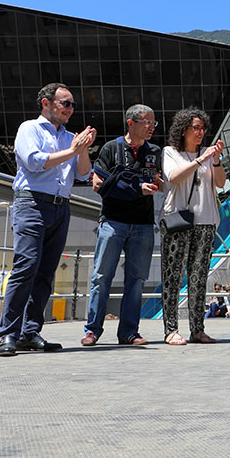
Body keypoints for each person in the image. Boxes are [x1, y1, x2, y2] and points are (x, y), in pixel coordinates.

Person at [0, 83, 95, 357]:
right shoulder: (30, 128)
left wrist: (83, 148)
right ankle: (7, 334)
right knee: (25, 266)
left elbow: (84, 174)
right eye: (65, 103)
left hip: (61, 206)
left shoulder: (70, 138)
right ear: (46, 103)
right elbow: (33, 161)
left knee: (46, 272)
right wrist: (74, 150)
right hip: (32, 202)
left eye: (72, 105)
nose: (70, 109)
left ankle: (29, 332)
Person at [82, 104, 162, 347]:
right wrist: (137, 188)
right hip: (113, 223)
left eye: (153, 123)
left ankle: (129, 332)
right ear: (131, 122)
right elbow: (97, 184)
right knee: (101, 276)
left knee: (136, 280)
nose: (151, 127)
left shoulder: (155, 151)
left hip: (143, 224)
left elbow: (159, 179)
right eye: (147, 122)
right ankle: (92, 330)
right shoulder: (111, 148)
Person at [161, 108, 225, 345]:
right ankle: (170, 329)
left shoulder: (208, 155)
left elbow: (220, 182)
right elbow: (174, 177)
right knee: (173, 276)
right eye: (195, 127)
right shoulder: (170, 152)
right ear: (183, 129)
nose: (200, 132)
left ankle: (197, 329)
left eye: (202, 128)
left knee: (198, 278)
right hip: (179, 221)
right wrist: (200, 159)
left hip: (206, 222)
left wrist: (215, 160)